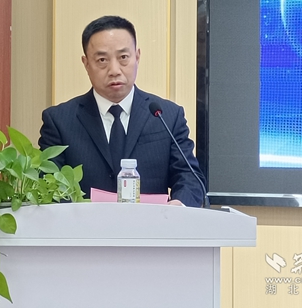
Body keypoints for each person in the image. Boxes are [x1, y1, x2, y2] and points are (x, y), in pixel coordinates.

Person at [38, 15, 205, 207]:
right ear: (86, 63)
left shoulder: (167, 116)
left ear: (137, 57)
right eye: (102, 60)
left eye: (123, 57)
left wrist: (180, 205)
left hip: (152, 225)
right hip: (86, 225)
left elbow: (189, 176)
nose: (114, 70)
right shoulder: (59, 121)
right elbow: (48, 184)